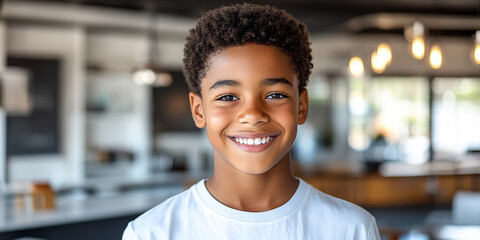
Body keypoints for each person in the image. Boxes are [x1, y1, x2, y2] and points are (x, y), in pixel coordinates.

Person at [123, 3, 380, 240]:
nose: (253, 114)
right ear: (199, 111)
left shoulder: (352, 229)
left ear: (301, 106)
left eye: (276, 95)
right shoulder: (151, 233)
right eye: (227, 96)